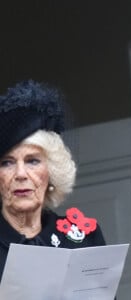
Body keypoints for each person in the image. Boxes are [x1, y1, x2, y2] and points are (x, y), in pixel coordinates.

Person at [0, 79, 106, 280]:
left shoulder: (82, 238)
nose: (20, 174)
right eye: (7, 163)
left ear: (51, 171)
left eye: (32, 161)